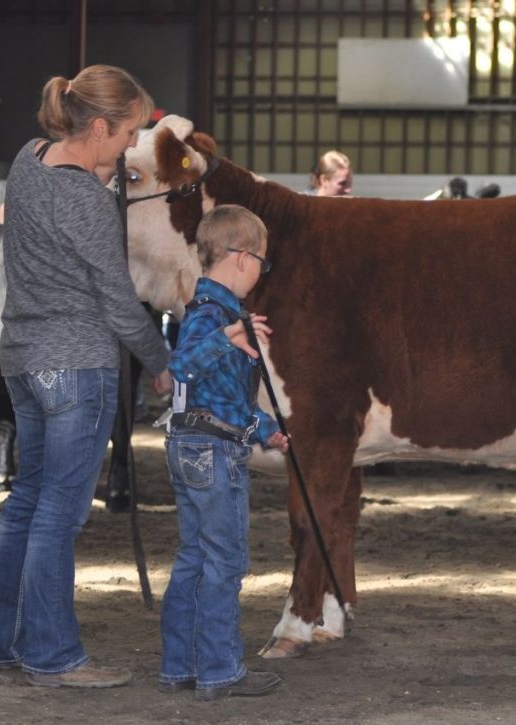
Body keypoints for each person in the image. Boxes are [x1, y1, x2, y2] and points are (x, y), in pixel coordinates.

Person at [0, 65, 172, 687]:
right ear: (102, 126)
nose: (132, 146)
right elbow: (118, 302)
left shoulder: (30, 159)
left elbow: (79, 188)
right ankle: (53, 657)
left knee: (27, 501)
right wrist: (160, 364)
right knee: (60, 514)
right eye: (129, 133)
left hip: (24, 358)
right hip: (77, 365)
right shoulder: (84, 199)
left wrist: (107, 170)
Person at [158, 204, 289, 701]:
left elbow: (226, 400)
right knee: (224, 562)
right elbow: (183, 366)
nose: (261, 272)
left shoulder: (208, 311)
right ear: (240, 257)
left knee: (194, 557)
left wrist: (265, 429)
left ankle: (180, 666)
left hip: (196, 442)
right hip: (213, 455)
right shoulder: (214, 316)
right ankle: (219, 670)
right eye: (262, 262)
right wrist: (228, 336)